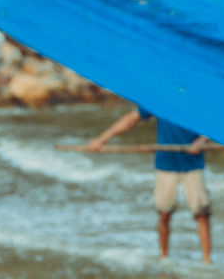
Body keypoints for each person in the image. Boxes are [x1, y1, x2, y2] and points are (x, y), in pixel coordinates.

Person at [88, 108, 212, 264]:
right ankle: (164, 258)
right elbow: (132, 118)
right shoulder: (158, 96)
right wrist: (103, 139)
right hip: (166, 163)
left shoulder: (195, 97)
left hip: (193, 164)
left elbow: (213, 122)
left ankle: (207, 261)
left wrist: (202, 140)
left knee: (201, 213)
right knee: (164, 213)